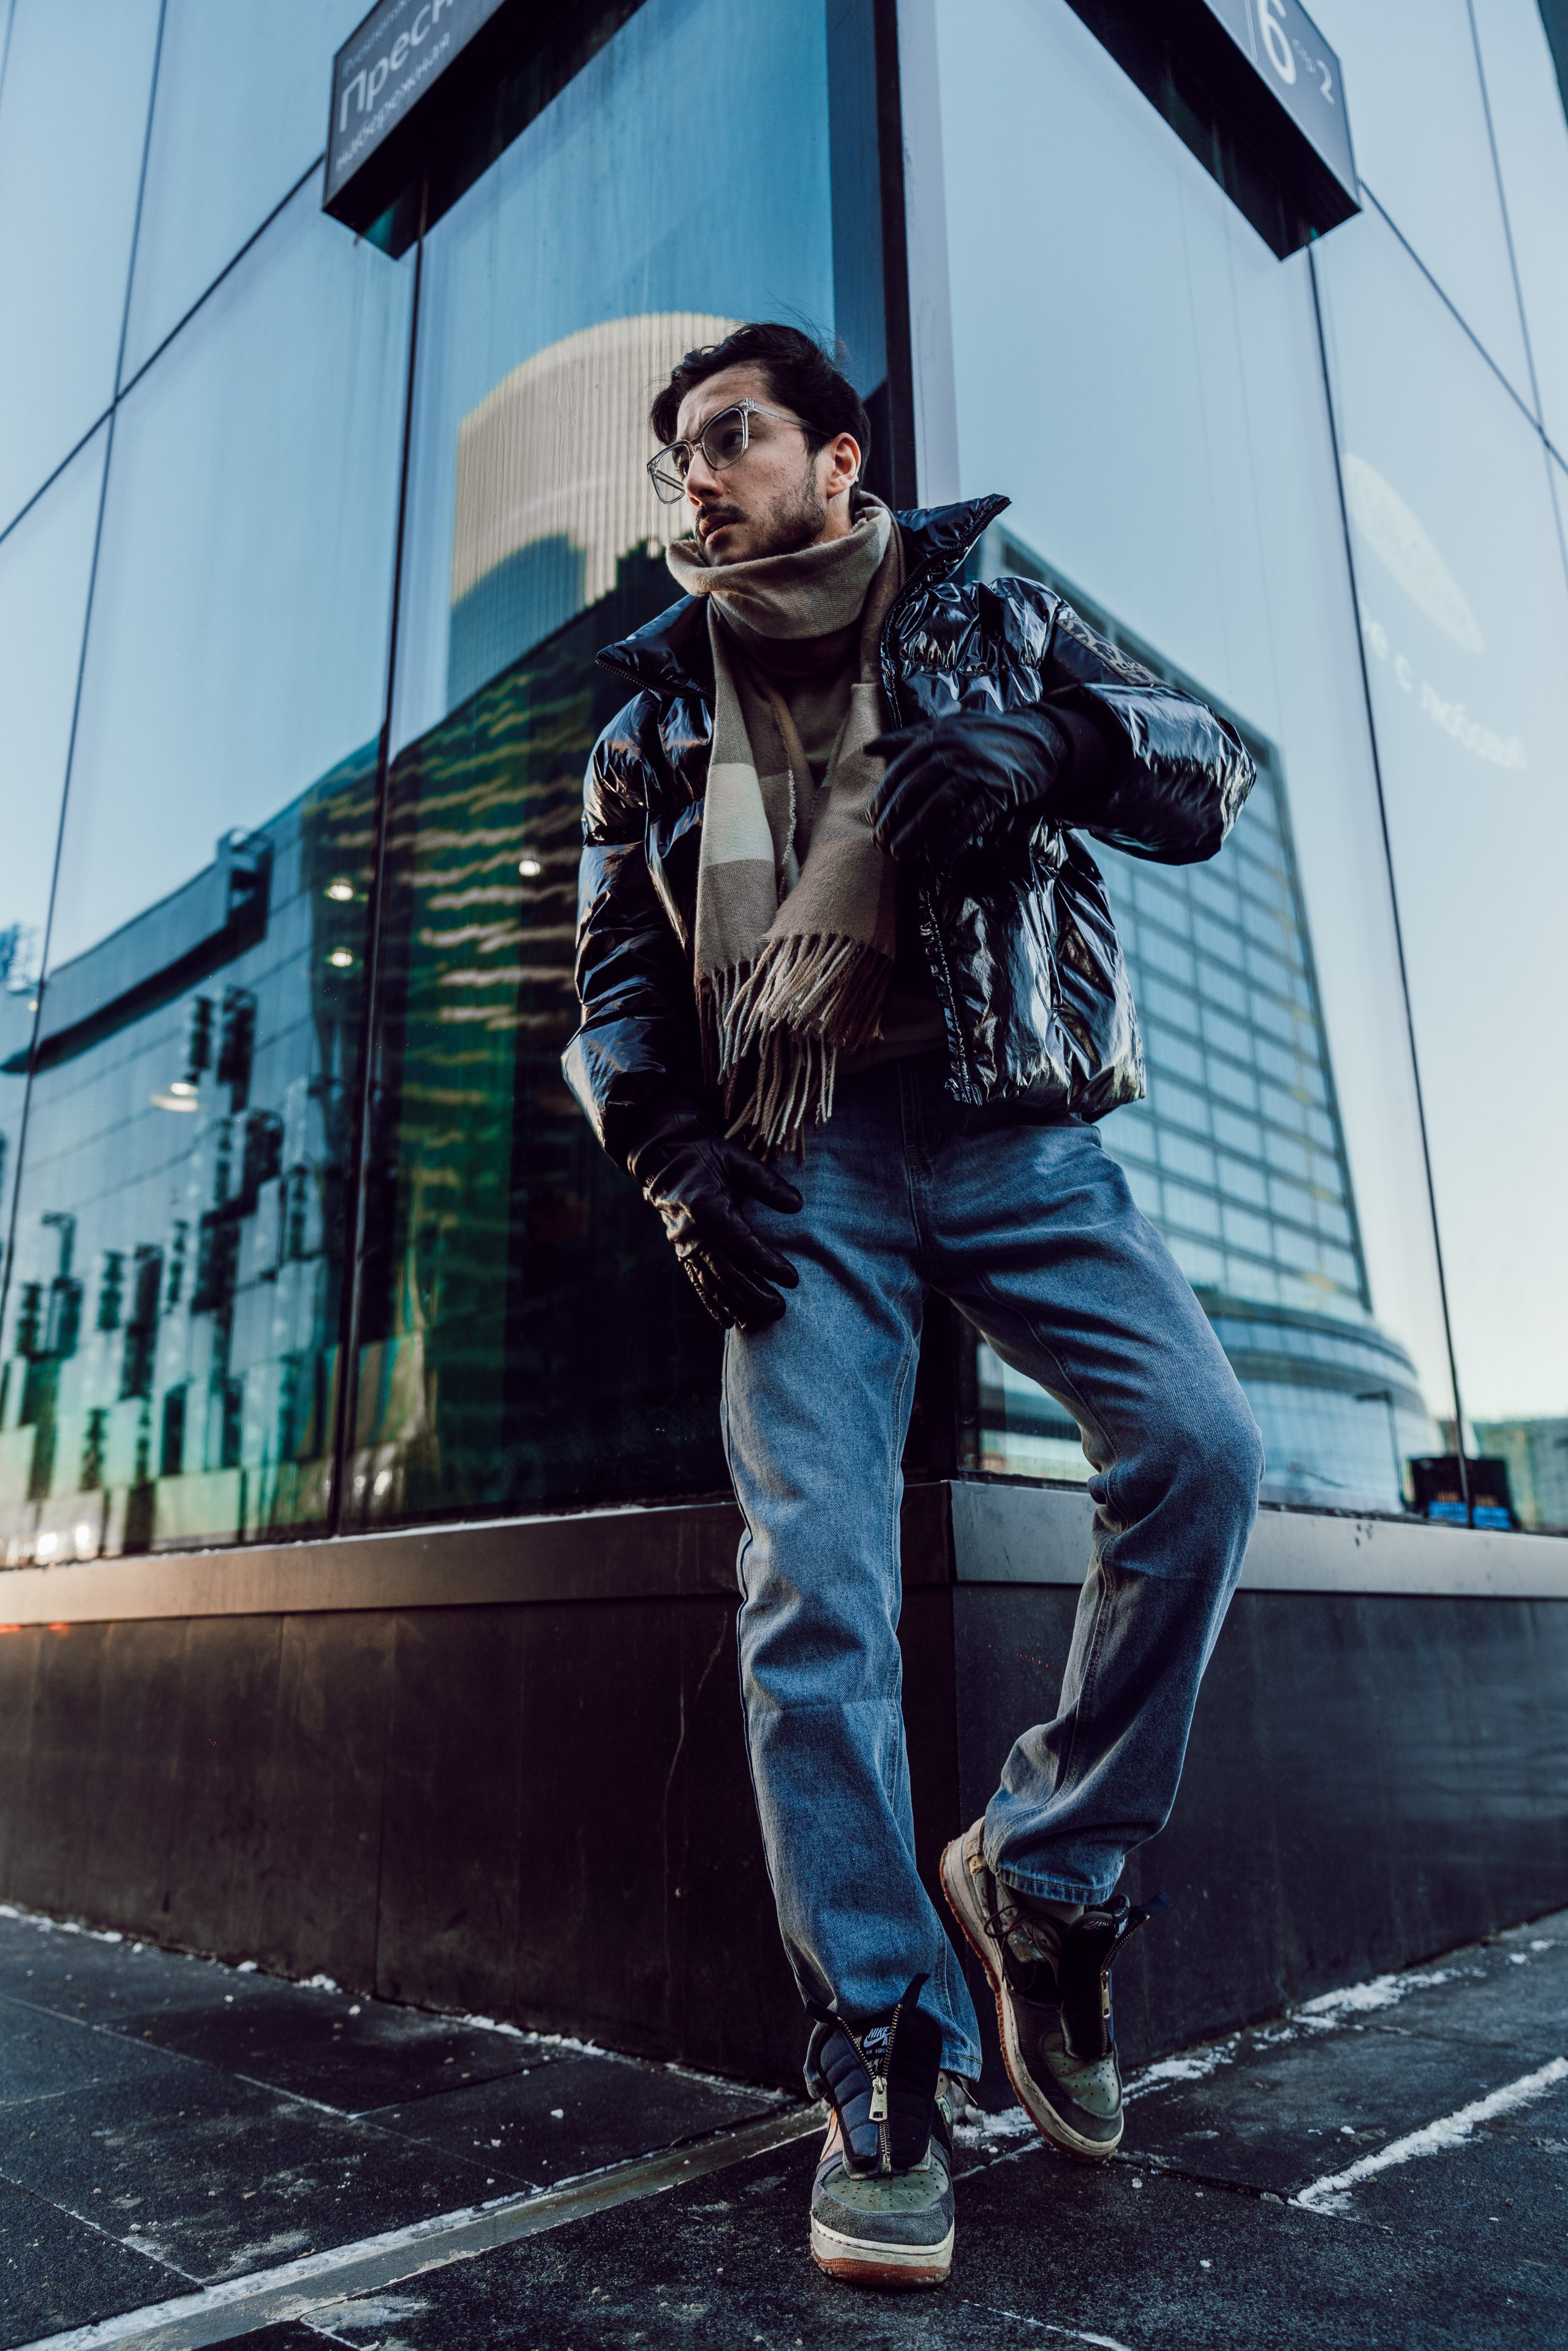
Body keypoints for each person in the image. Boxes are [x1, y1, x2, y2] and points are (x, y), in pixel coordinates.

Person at [564, 323, 1264, 2290]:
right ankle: (880, 2044)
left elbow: (1205, 776)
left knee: (1204, 1453)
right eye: (675, 460)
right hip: (800, 1165)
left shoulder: (987, 609)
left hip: (1011, 1124)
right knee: (817, 1583)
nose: (694, 482)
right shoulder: (646, 720)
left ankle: (1048, 1883)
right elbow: (616, 988)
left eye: (729, 440)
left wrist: (1054, 745)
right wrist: (675, 1161)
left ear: (839, 456)